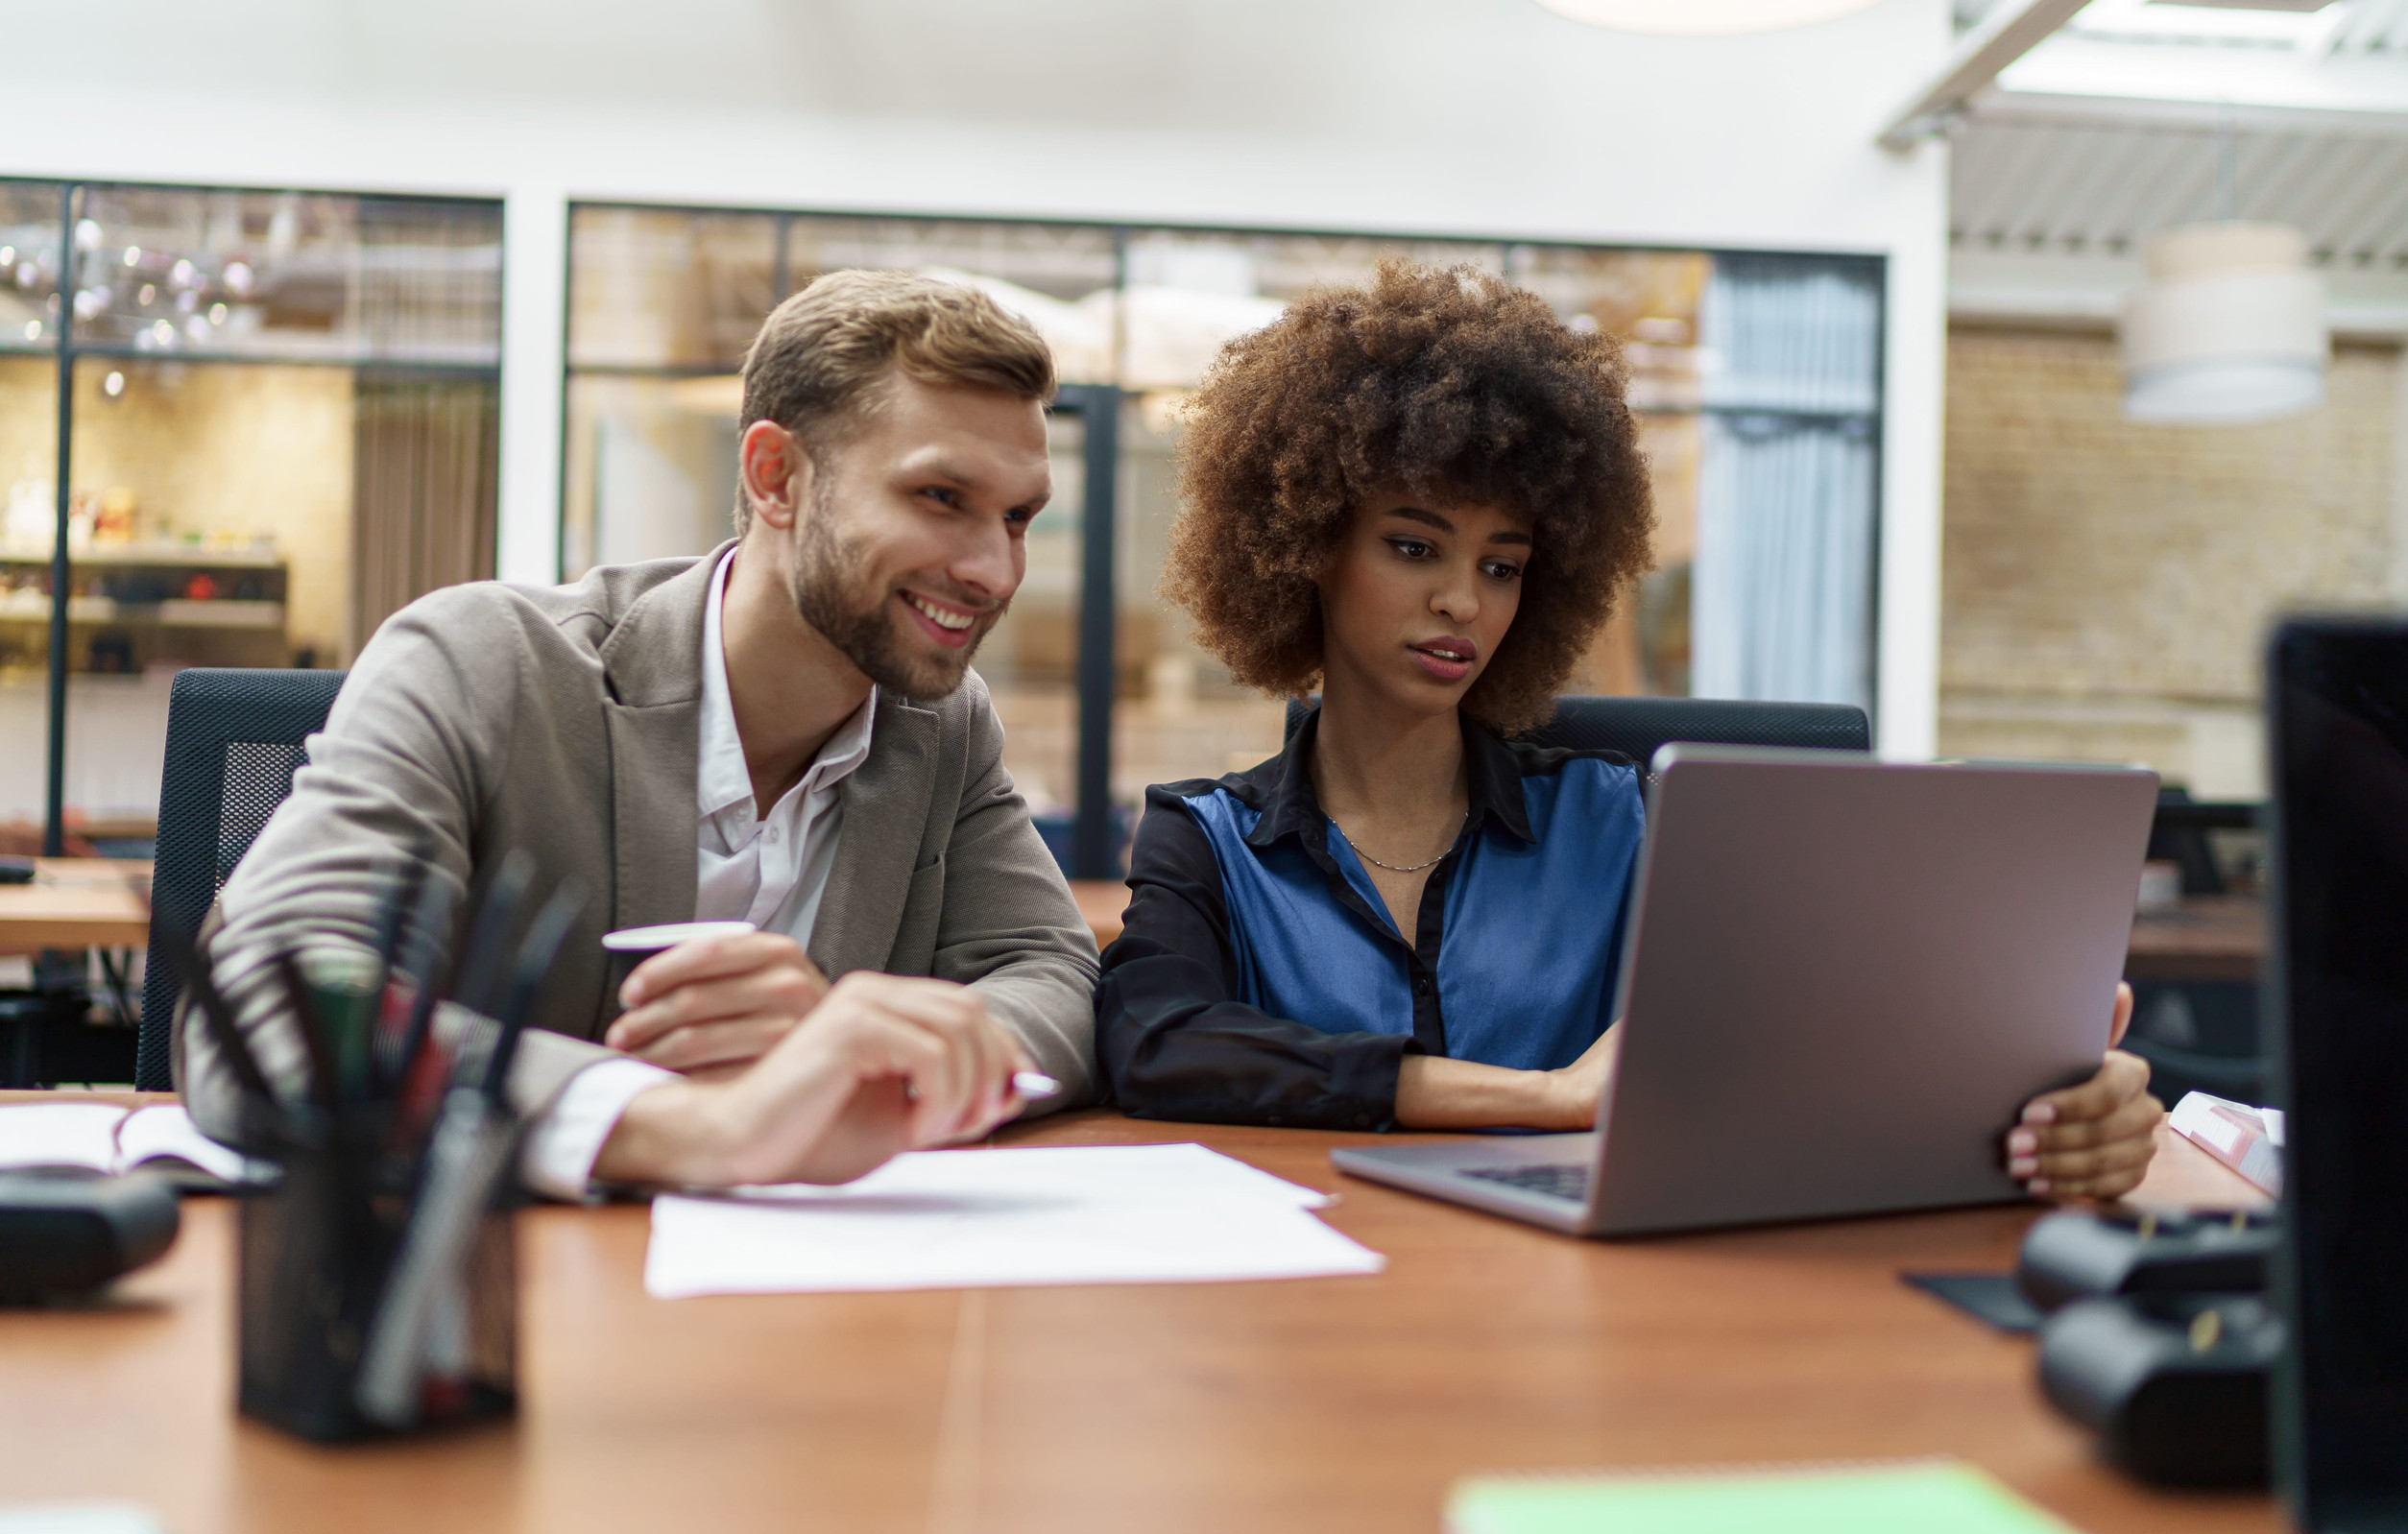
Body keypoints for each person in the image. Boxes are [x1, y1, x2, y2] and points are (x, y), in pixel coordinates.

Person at [1096, 261, 2163, 1201]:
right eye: (1416, 548)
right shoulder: (1208, 837)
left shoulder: (1630, 819)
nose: (1464, 602)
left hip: (1599, 1308)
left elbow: (1841, 1018)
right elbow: (1154, 1040)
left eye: (1502, 564)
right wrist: (1545, 1096)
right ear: (1306, 547)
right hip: (1317, 1317)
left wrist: (2064, 1087)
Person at [179, 270, 1098, 1195]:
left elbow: (1054, 977)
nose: (993, 570)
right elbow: (281, 995)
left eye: (1018, 517)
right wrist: (690, 1127)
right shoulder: (481, 662)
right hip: (487, 1293)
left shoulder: (942, 723)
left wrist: (877, 1061)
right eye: (941, 496)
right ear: (776, 477)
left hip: (807, 1300)